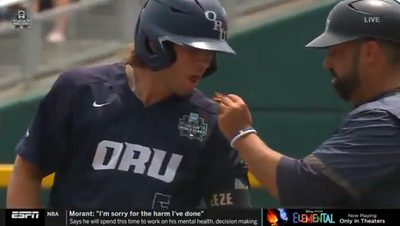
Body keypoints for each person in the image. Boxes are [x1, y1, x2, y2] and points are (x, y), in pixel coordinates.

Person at [7, 0, 251, 210]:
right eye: (194, 49)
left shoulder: (212, 123)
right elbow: (27, 171)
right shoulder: (80, 90)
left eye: (210, 52)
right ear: (155, 43)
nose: (204, 61)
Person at [215, 0, 400, 207]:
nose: (327, 62)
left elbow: (302, 186)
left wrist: (240, 132)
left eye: (337, 51)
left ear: (369, 52)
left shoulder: (383, 118)